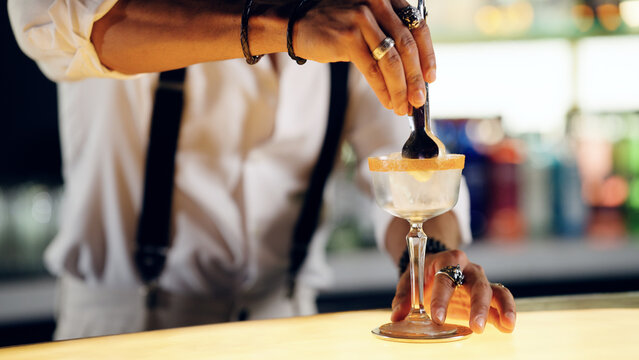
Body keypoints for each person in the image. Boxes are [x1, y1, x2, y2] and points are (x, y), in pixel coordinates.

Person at [8, 0, 516, 340]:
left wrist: (432, 261)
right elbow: (54, 25)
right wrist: (288, 26)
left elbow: (406, 165)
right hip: (127, 330)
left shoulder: (350, 11)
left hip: (289, 328)